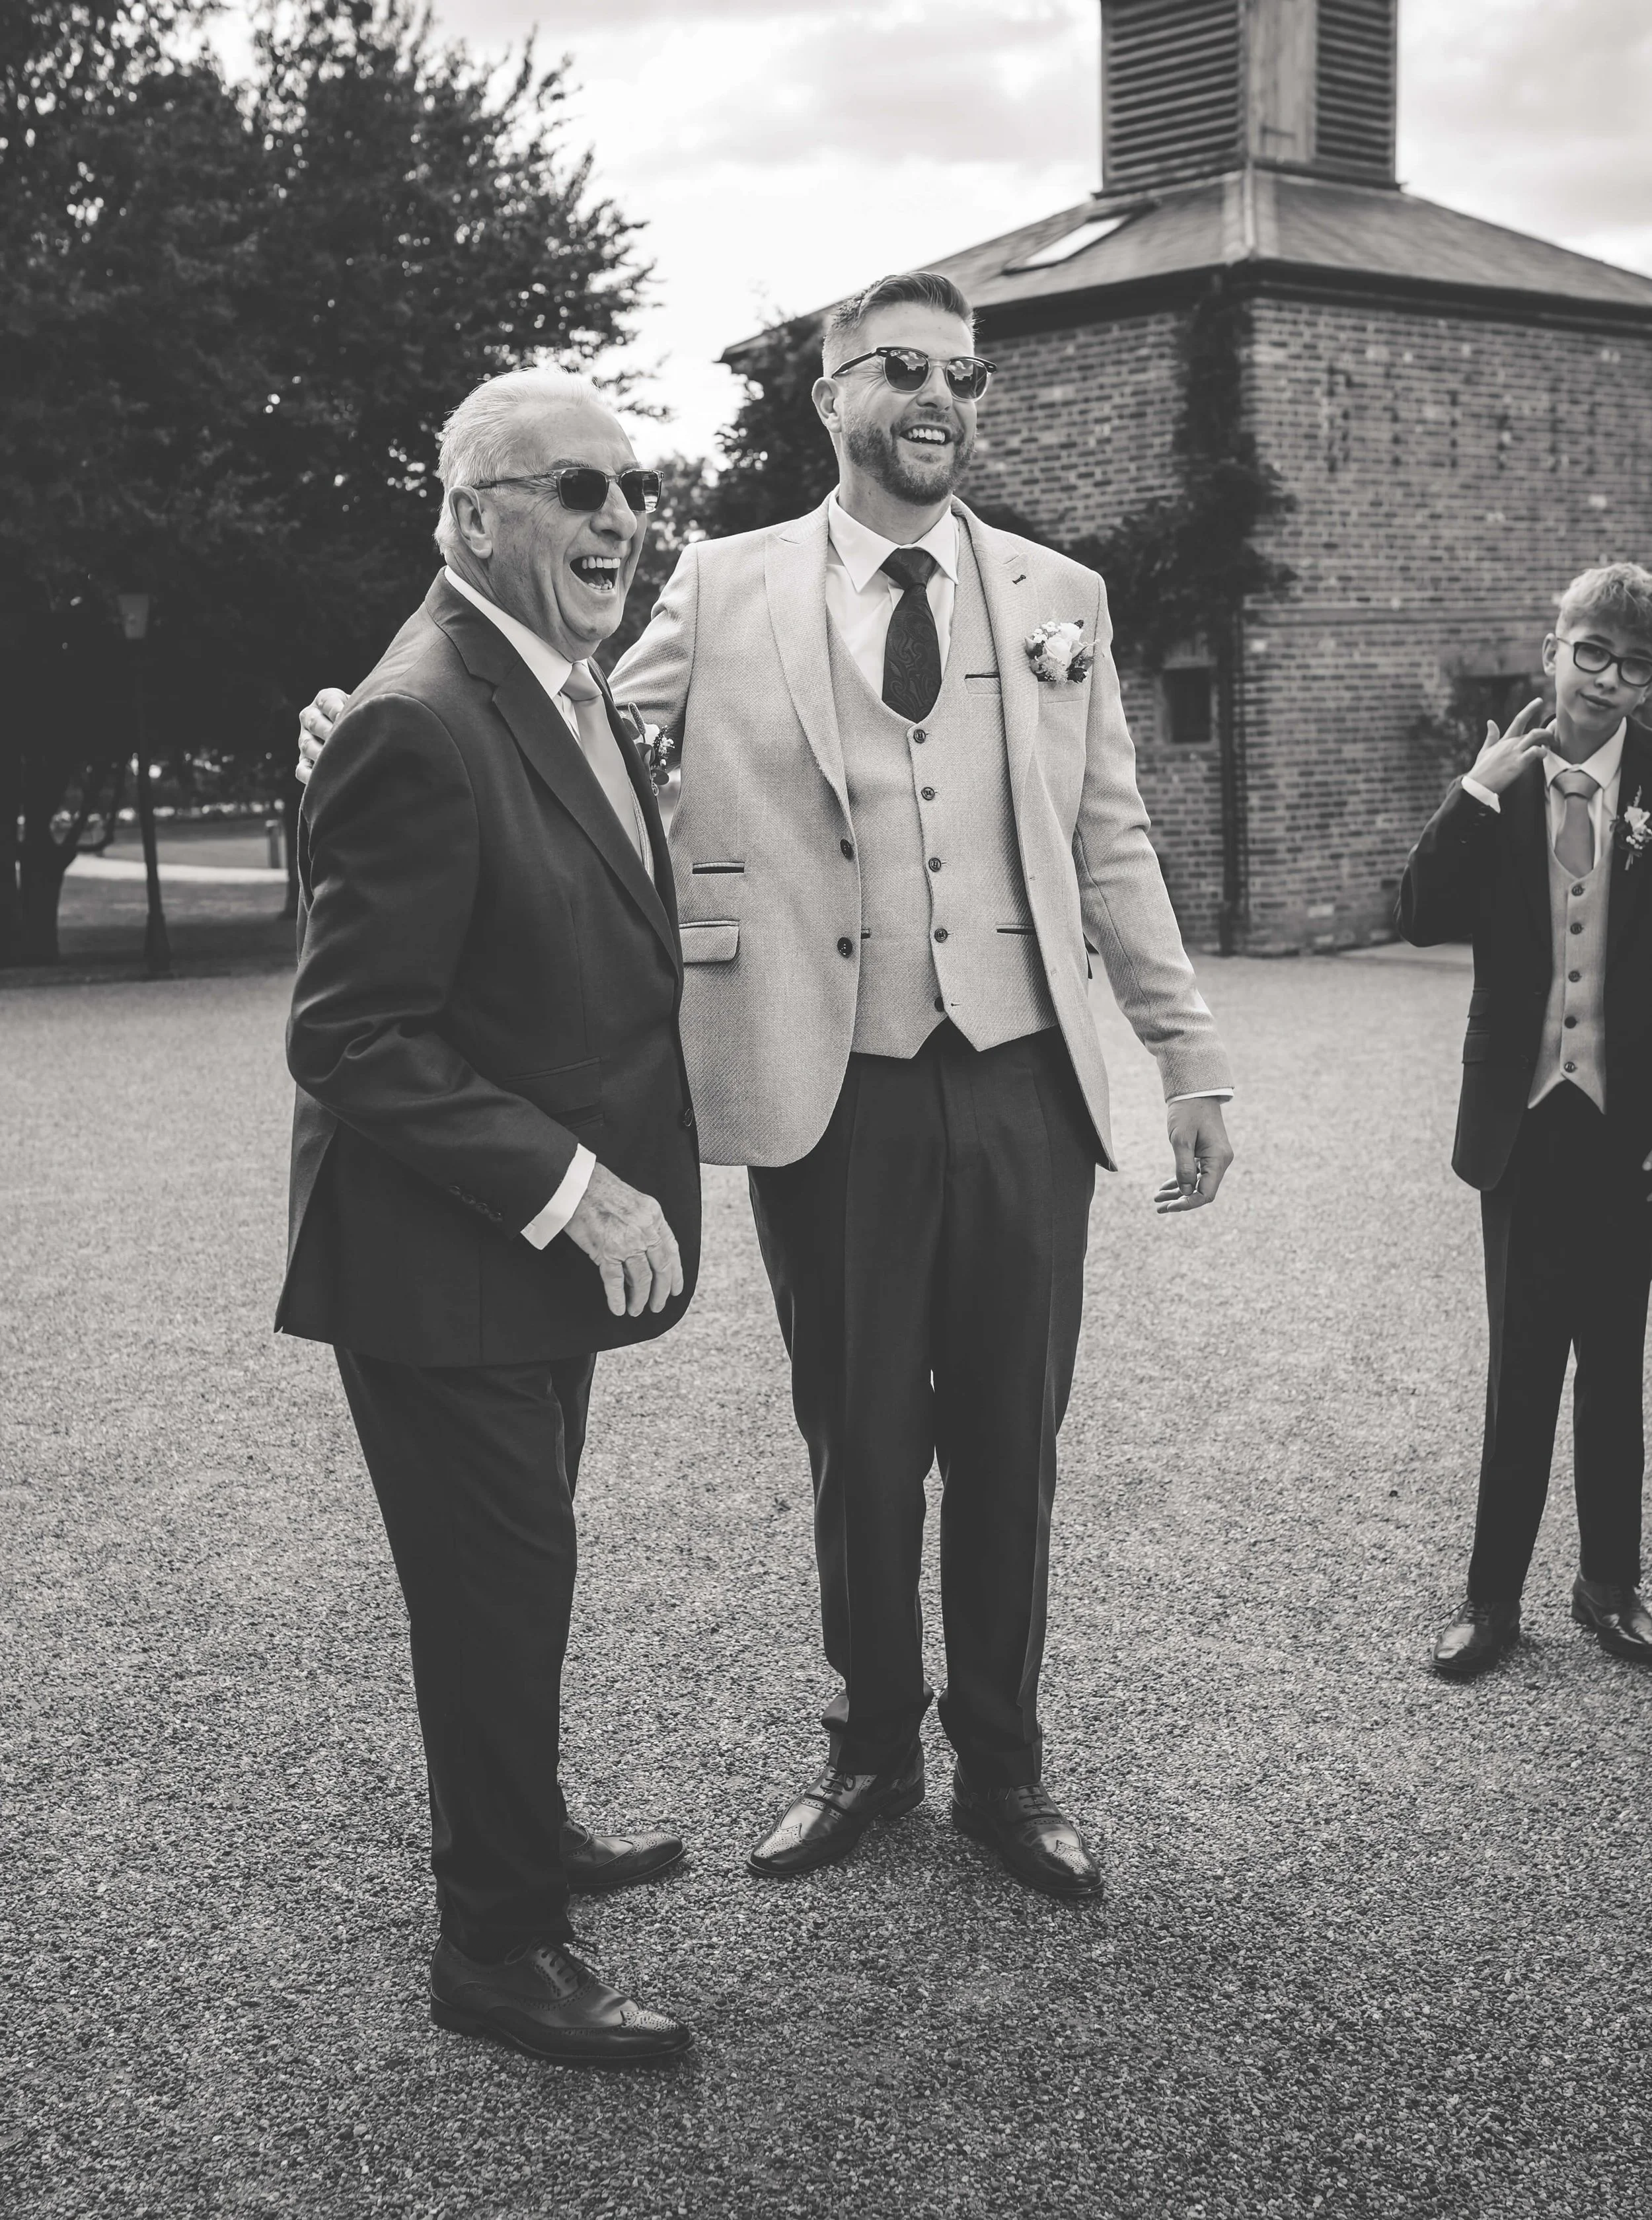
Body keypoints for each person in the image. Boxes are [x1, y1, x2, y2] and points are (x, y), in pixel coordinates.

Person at [301, 272, 1236, 1902]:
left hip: (1023, 1080)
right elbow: (549, 710)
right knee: (859, 1444)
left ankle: (1004, 1772)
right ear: (830, 397)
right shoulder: (722, 588)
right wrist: (355, 713)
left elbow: (1113, 843)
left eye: (966, 373)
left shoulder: (1053, 592)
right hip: (833, 1086)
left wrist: (1187, 1056)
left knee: (1011, 1445)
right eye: (902, 368)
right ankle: (868, 1751)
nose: (941, 397)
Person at [280, 367, 698, 2065]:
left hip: (526, 1271)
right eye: (578, 491)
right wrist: (570, 1183)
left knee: (517, 1586)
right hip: (441, 1268)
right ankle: (500, 1951)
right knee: (494, 1595)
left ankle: (523, 1834)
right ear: (472, 515)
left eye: (633, 488)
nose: (622, 519)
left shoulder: (564, 681)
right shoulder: (419, 710)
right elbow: (348, 1030)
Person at [1399, 562, 1652, 1680]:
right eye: (1591, 652)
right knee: (1522, 1368)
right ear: (1554, 648)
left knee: (1617, 1366)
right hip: (1523, 1122)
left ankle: (1610, 1584)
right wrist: (1473, 790)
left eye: (1634, 664)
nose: (1608, 679)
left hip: (1629, 1128)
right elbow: (1414, 918)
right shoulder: (1503, 783)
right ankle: (1490, 1601)